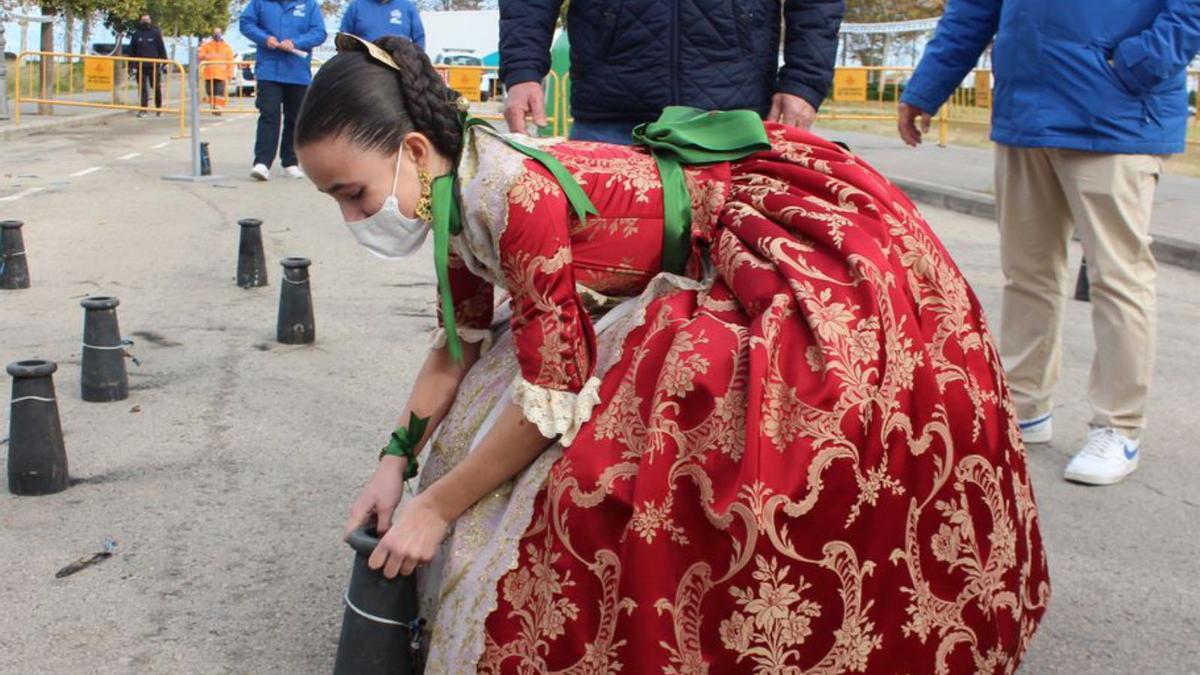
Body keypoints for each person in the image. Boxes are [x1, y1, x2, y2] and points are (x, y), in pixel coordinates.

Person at [297, 34, 1050, 673]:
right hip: (635, 274)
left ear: (415, 149)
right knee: (488, 428)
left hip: (737, 239)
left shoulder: (513, 196)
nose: (352, 217)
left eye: (352, 193)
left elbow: (549, 404)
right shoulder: (452, 192)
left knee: (673, 452)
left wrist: (433, 507)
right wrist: (393, 460)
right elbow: (453, 352)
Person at [898, 0, 1200, 486]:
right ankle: (1025, 405)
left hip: (1116, 115)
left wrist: (1134, 65)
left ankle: (1118, 426)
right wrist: (927, 88)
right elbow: (974, 8)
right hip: (1028, 113)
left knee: (1118, 278)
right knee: (1027, 273)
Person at [500, 0, 845, 143]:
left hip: (734, 123)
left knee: (738, 282)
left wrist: (804, 81)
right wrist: (522, 70)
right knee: (601, 282)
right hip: (612, 117)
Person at [239, 0, 327, 181]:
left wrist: (295, 42)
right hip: (269, 71)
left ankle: (290, 162)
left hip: (297, 71)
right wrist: (265, 38)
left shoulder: (308, 4)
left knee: (295, 118)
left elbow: (319, 32)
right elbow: (246, 23)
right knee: (269, 115)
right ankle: (262, 163)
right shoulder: (260, 3)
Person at [126, 13, 167, 118]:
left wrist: (165, 63)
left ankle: (159, 108)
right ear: (140, 21)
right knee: (143, 88)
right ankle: (144, 110)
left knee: (156, 87)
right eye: (144, 20)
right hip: (141, 66)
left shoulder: (155, 33)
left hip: (154, 66)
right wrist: (130, 66)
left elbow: (161, 48)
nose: (145, 22)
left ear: (150, 21)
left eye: (147, 20)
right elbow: (131, 51)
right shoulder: (137, 34)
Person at [339, 0, 425, 47]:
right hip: (363, 65)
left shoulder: (408, 7)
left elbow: (419, 38)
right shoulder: (356, 6)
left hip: (399, 64)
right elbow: (344, 38)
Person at [198, 27, 236, 115]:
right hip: (209, 74)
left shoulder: (226, 47)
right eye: (215, 33)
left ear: (221, 34)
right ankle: (213, 106)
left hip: (221, 74)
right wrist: (205, 56)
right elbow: (200, 55)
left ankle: (219, 108)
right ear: (212, 34)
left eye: (218, 33)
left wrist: (230, 75)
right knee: (210, 92)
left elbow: (230, 62)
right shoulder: (207, 45)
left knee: (219, 92)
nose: (217, 35)